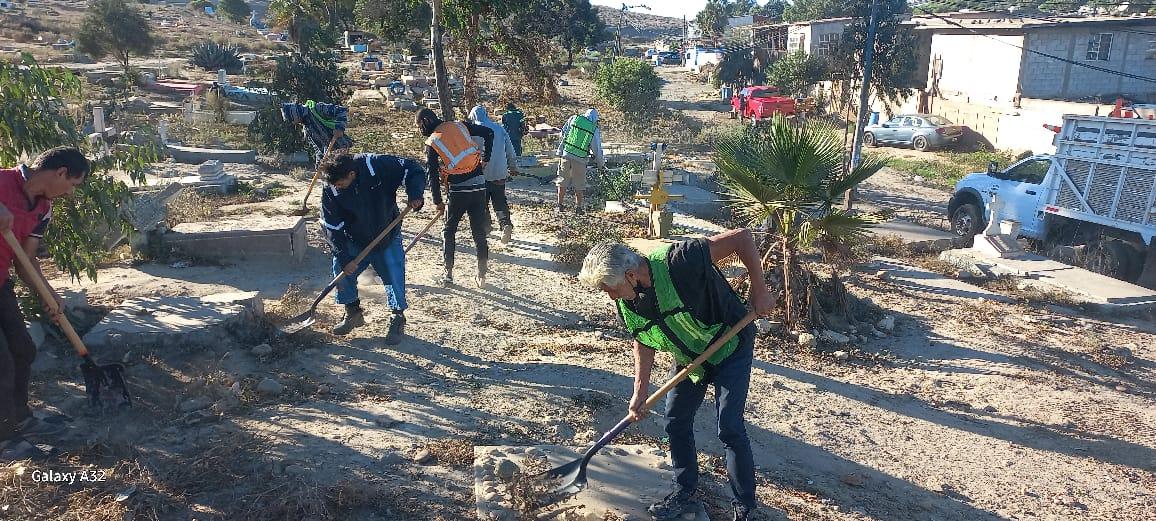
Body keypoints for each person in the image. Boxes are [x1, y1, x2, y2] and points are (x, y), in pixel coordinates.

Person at [577, 229, 775, 521]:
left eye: (611, 288)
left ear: (631, 275)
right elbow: (643, 339)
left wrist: (760, 290)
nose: (610, 295)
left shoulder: (680, 259)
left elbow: (742, 238)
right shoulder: (626, 300)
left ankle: (745, 508)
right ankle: (685, 492)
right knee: (676, 420)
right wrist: (640, 390)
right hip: (690, 356)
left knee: (730, 426)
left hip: (730, 343)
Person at [0, 147, 90, 461]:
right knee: (2, 362)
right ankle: (4, 439)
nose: (70, 192)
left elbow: (26, 262)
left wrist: (49, 296)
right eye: (73, 184)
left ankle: (20, 416)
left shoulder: (44, 208)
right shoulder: (2, 181)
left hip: (0, 284)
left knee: (23, 349)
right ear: (61, 172)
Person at [319, 152, 426, 343]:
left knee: (393, 272)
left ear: (351, 174)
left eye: (340, 184)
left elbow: (414, 169)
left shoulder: (375, 165)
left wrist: (415, 194)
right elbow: (332, 227)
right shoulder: (331, 189)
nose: (337, 187)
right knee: (341, 269)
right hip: (354, 238)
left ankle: (397, 317)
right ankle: (352, 312)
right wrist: (344, 257)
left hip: (387, 232)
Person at [415, 108, 494, 288]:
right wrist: (486, 157)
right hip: (480, 186)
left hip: (458, 191)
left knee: (448, 231)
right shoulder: (460, 125)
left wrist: (437, 202)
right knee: (479, 233)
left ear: (426, 122)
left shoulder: (432, 141)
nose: (420, 130)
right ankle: (481, 276)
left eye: (419, 126)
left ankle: (448, 275)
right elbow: (488, 133)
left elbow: (432, 175)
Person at [468, 104, 519, 245]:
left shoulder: (472, 131)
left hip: (480, 173)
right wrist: (513, 166)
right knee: (500, 201)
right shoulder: (499, 128)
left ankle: (486, 226)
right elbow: (510, 150)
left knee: (481, 202)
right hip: (499, 172)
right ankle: (505, 225)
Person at [555, 108, 605, 213]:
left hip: (566, 155)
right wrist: (601, 164)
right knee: (579, 184)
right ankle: (578, 208)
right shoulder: (593, 128)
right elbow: (597, 149)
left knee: (562, 181)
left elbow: (563, 133)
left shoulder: (574, 118)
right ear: (595, 119)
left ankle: (559, 205)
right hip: (580, 159)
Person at [281, 100, 355, 164]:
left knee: (346, 174)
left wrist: (339, 127)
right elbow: (318, 148)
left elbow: (341, 110)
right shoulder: (307, 129)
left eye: (292, 120)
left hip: (342, 148)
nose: (293, 123)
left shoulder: (317, 108)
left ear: (294, 115)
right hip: (331, 157)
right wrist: (319, 163)